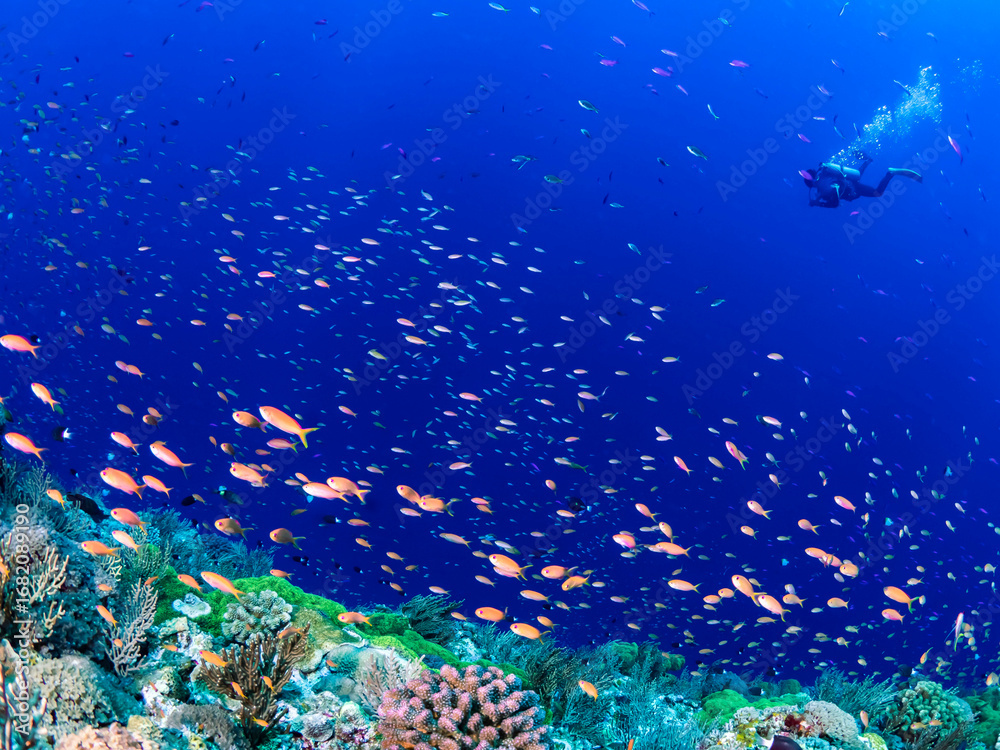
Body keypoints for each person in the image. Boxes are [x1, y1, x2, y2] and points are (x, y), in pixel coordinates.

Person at [803, 154, 922, 208]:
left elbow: (834, 203)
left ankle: (890, 174)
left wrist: (818, 203)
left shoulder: (823, 185)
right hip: (851, 184)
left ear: (812, 184)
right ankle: (868, 161)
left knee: (878, 193)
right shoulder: (825, 175)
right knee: (858, 176)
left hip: (853, 188)